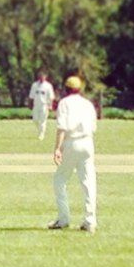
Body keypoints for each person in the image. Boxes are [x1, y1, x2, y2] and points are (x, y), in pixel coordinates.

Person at [48, 75, 98, 233]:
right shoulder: (87, 103)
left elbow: (62, 127)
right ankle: (90, 221)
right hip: (88, 142)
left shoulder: (64, 103)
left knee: (59, 180)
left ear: (66, 88)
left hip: (72, 142)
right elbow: (93, 126)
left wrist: (57, 148)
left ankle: (63, 219)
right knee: (88, 182)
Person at [28, 71, 56, 140]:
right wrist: (30, 104)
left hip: (44, 105)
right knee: (35, 119)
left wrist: (50, 105)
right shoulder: (34, 85)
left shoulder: (48, 86)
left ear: (45, 77)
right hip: (36, 105)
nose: (41, 78)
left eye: (43, 76)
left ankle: (41, 134)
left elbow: (51, 97)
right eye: (40, 76)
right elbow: (31, 96)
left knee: (43, 120)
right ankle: (41, 130)